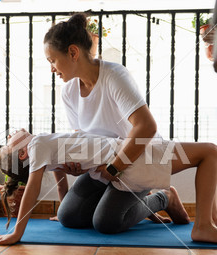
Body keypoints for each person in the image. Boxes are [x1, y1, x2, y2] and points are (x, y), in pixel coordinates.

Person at [41, 12, 183, 236]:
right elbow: (82, 136)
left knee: (107, 223)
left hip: (136, 161)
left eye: (52, 61)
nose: (52, 69)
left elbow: (146, 127)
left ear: (73, 52)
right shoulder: (68, 91)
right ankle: (128, 202)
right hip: (103, 166)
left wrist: (114, 168)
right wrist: (78, 165)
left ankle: (165, 197)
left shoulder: (115, 75)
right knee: (69, 217)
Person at [0, 128, 217, 246]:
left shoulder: (43, 146)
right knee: (210, 151)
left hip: (123, 162)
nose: (9, 136)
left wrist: (62, 205)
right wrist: (17, 233)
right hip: (132, 158)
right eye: (9, 144)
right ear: (24, 153)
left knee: (208, 153)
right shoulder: (37, 144)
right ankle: (201, 224)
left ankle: (208, 222)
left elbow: (58, 172)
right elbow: (34, 189)